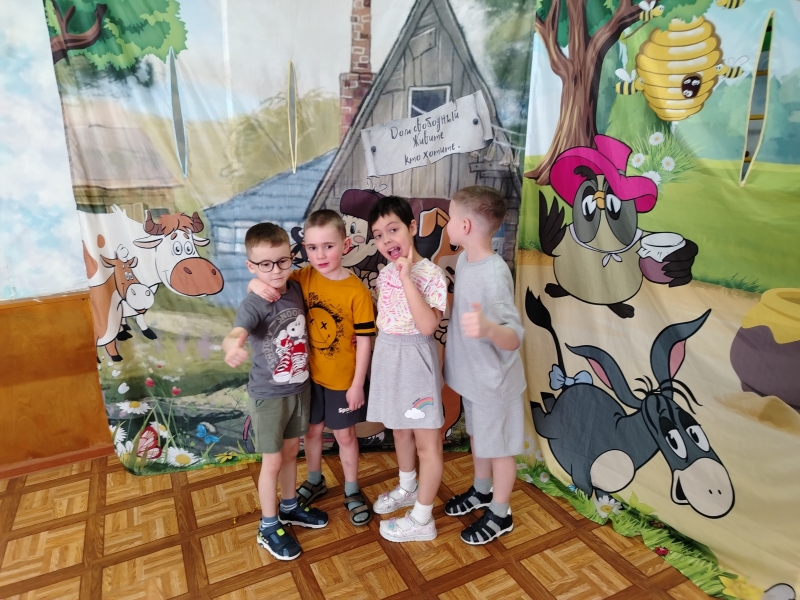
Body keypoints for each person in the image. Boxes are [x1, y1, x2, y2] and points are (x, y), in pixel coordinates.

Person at [248, 211, 376, 526]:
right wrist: (253, 283)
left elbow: (365, 341)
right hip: (306, 379)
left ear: (345, 245)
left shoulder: (356, 291)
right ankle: (315, 479)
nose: (321, 255)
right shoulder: (302, 277)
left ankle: (351, 489)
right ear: (304, 248)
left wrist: (357, 383)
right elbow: (268, 279)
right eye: (313, 247)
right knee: (312, 432)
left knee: (345, 435)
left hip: (343, 381)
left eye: (328, 246)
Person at [222, 223, 328, 561]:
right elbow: (236, 332)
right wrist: (232, 346)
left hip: (299, 389)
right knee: (272, 461)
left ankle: (289, 506)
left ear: (291, 258)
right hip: (269, 396)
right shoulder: (254, 303)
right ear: (251, 266)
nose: (276, 270)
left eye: (282, 261)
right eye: (265, 264)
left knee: (291, 452)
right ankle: (268, 526)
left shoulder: (295, 287)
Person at [442, 186, 527, 545]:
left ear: (464, 225)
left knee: (499, 449)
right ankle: (481, 490)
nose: (446, 225)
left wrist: (489, 328)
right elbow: (463, 306)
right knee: (479, 438)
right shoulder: (464, 260)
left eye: (449, 218)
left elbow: (514, 336)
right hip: (474, 379)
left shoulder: (494, 274)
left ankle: (501, 513)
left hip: (495, 384)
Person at [367, 195, 447, 542]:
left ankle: (422, 519)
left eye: (393, 229)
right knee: (399, 430)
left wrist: (407, 278)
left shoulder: (431, 274)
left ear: (412, 228)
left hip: (415, 364)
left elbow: (427, 326)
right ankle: (408, 487)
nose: (386, 240)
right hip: (389, 358)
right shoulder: (383, 274)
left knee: (427, 445)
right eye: (378, 235)